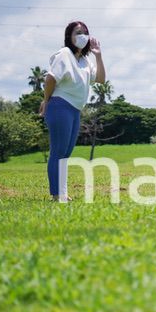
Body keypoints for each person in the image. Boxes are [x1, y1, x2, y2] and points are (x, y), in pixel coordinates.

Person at [39, 21, 106, 201]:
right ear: (69, 36)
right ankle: (57, 195)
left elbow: (100, 79)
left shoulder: (85, 61)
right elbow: (51, 78)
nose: (82, 35)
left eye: (85, 32)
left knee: (66, 153)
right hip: (60, 105)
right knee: (58, 151)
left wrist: (98, 56)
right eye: (77, 32)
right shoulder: (65, 54)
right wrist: (46, 101)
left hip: (75, 109)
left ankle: (62, 193)